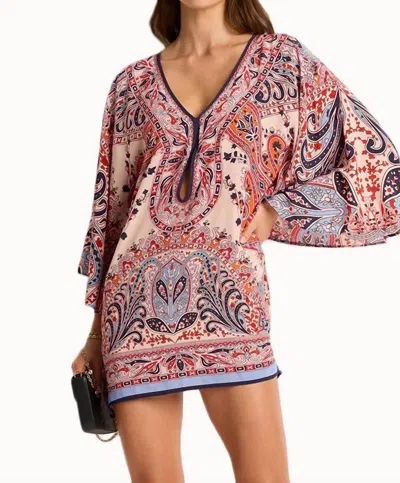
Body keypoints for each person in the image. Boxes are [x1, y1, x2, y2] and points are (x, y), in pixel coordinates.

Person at [71, 1, 400, 482]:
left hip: (232, 309)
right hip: (134, 319)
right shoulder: (131, 86)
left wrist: (279, 209)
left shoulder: (284, 63)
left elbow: (380, 170)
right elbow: (112, 218)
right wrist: (95, 337)